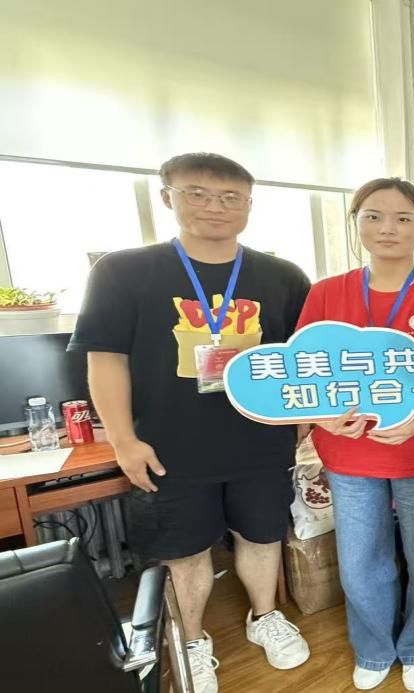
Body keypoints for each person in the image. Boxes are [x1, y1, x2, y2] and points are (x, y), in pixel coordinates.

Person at [69, 153, 313, 693]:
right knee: (184, 551)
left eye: (231, 197)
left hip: (261, 440)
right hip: (169, 445)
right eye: (196, 193)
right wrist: (123, 440)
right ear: (168, 198)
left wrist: (302, 417)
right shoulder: (122, 271)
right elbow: (105, 359)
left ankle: (265, 616)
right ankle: (194, 642)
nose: (214, 207)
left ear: (249, 205)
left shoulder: (283, 276)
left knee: (262, 536)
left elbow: (304, 357)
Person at [295, 178, 414, 691]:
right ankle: (373, 648)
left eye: (402, 218)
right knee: (360, 563)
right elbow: (304, 368)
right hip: (349, 452)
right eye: (373, 216)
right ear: (356, 224)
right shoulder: (326, 293)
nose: (387, 227)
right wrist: (323, 417)